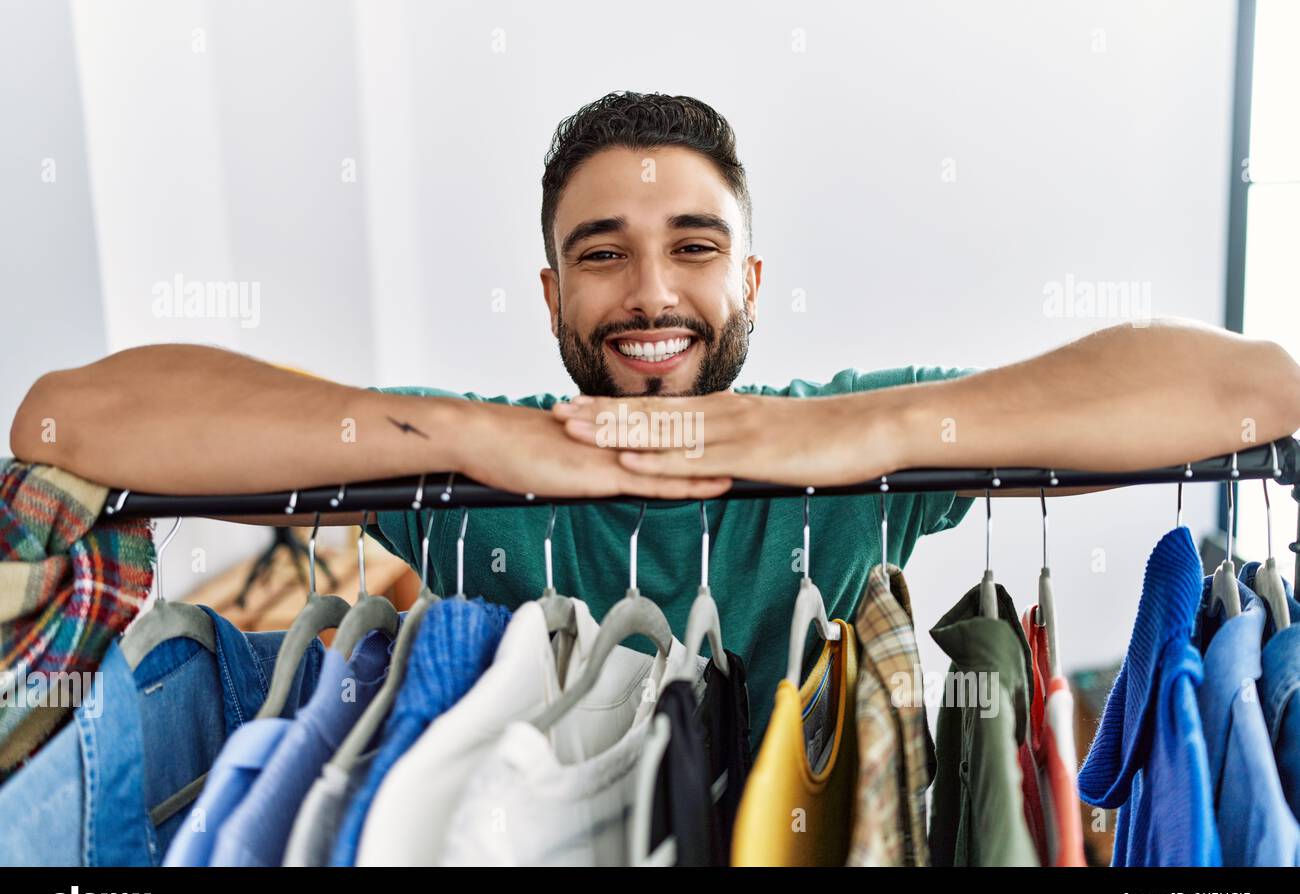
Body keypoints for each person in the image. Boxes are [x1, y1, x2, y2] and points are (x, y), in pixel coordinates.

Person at [10, 91, 1300, 749]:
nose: (651, 296)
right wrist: (466, 437)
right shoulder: (468, 458)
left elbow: (1262, 390)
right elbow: (69, 424)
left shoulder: (857, 440)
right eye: (602, 255)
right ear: (552, 293)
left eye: (694, 248)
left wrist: (866, 435)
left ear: (747, 281)